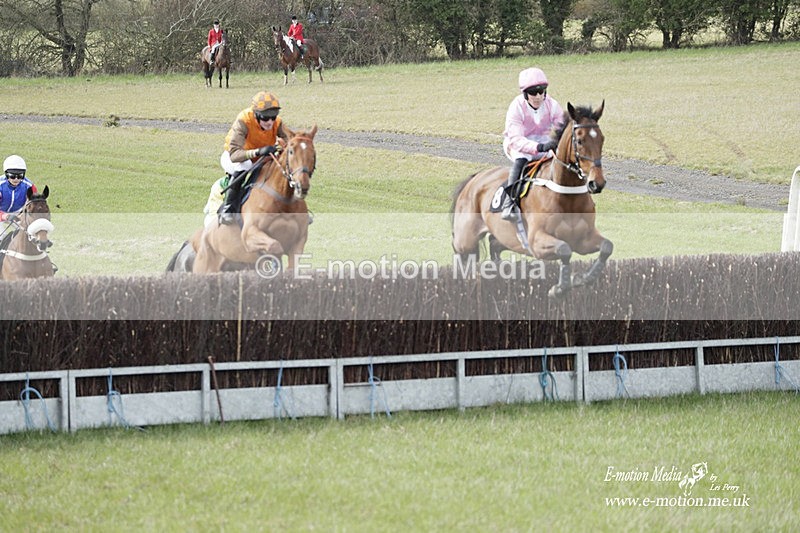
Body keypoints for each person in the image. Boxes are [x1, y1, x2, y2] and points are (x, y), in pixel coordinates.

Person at [501, 67, 565, 221]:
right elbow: (516, 139)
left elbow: (562, 128)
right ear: (525, 94)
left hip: (545, 142)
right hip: (518, 145)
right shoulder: (516, 107)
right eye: (533, 92)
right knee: (522, 159)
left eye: (541, 91)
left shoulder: (552, 105)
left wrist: (556, 143)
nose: (538, 96)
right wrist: (539, 147)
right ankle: (509, 203)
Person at [216, 91, 288, 225]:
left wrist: (282, 146)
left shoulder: (277, 122)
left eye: (273, 117)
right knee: (245, 165)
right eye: (265, 118)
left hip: (261, 157)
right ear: (256, 115)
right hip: (234, 158)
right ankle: (228, 209)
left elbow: (288, 139)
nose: (270, 122)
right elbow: (235, 155)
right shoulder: (244, 120)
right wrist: (258, 151)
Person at [0, 154, 37, 230]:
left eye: (20, 176)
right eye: (12, 176)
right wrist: (5, 216)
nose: (16, 179)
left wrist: (23, 215)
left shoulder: (29, 186)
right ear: (6, 174)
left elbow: (34, 206)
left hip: (18, 214)